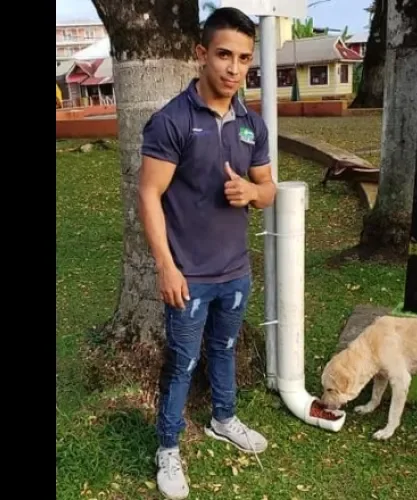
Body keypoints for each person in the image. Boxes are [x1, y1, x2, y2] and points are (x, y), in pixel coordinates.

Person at [137, 7, 276, 499]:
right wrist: (166, 265)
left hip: (235, 271)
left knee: (224, 349)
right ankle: (168, 447)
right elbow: (149, 194)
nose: (234, 69)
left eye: (243, 59)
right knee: (181, 362)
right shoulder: (172, 121)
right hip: (189, 276)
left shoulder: (250, 124)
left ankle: (224, 417)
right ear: (201, 55)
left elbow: (269, 189)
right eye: (223, 55)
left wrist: (252, 195)